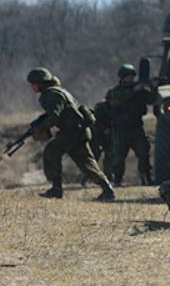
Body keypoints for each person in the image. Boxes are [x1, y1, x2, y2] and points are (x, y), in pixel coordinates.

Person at [26, 67, 116, 200]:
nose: (32, 87)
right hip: (80, 131)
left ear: (40, 83)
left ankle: (56, 189)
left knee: (51, 152)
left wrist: (40, 127)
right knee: (87, 163)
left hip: (71, 132)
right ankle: (107, 189)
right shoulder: (59, 91)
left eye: (33, 84)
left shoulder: (50, 94)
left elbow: (54, 117)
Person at [105, 64, 157, 186]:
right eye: (128, 77)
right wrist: (134, 90)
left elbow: (151, 100)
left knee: (144, 152)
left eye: (132, 77)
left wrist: (153, 88)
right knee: (119, 156)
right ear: (122, 78)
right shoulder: (115, 91)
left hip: (136, 128)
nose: (130, 79)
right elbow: (117, 101)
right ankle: (117, 179)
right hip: (120, 129)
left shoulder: (139, 91)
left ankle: (146, 178)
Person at [80, 100, 114, 186]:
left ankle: (108, 178)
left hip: (108, 136)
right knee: (94, 157)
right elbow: (94, 122)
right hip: (97, 136)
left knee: (109, 157)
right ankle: (86, 179)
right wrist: (103, 129)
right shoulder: (102, 108)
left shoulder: (117, 108)